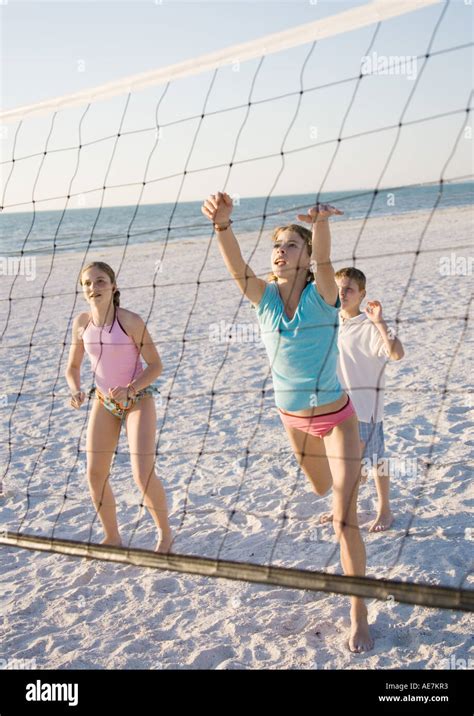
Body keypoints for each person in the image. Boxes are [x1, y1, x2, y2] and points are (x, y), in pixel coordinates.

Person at [201, 191, 373, 653]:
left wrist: (316, 225)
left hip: (337, 418)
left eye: (289, 245)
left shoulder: (325, 293)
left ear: (305, 256)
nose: (279, 250)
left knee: (344, 520)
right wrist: (222, 224)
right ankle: (340, 491)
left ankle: (359, 615)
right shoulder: (264, 298)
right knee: (320, 488)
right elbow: (237, 266)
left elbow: (325, 260)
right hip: (292, 420)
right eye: (276, 245)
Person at [65, 261, 172, 553]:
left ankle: (165, 534)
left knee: (141, 472)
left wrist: (131, 389)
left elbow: (156, 365)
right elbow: (72, 368)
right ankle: (112, 537)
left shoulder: (131, 321)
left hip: (138, 399)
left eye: (100, 281)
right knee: (95, 473)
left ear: (113, 286)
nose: (93, 287)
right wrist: (75, 390)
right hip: (104, 401)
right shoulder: (81, 323)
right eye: (87, 283)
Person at [334, 267, 404, 532]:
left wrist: (380, 322)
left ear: (362, 294)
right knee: (343, 462)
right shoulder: (330, 320)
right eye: (339, 288)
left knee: (377, 462)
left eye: (349, 289)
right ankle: (342, 509)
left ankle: (385, 509)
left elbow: (397, 353)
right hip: (336, 407)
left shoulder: (370, 325)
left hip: (365, 407)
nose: (343, 293)